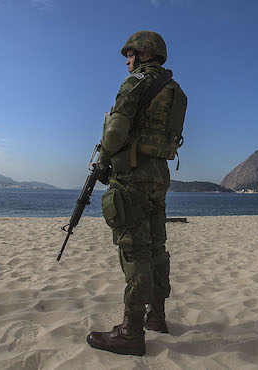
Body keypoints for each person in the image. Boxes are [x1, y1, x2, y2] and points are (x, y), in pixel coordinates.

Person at [86, 31, 187, 356]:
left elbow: (116, 131)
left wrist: (103, 161)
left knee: (134, 249)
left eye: (130, 54)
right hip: (159, 174)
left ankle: (131, 332)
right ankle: (156, 315)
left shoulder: (136, 83)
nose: (127, 61)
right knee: (157, 245)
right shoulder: (174, 91)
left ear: (144, 54)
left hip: (132, 174)